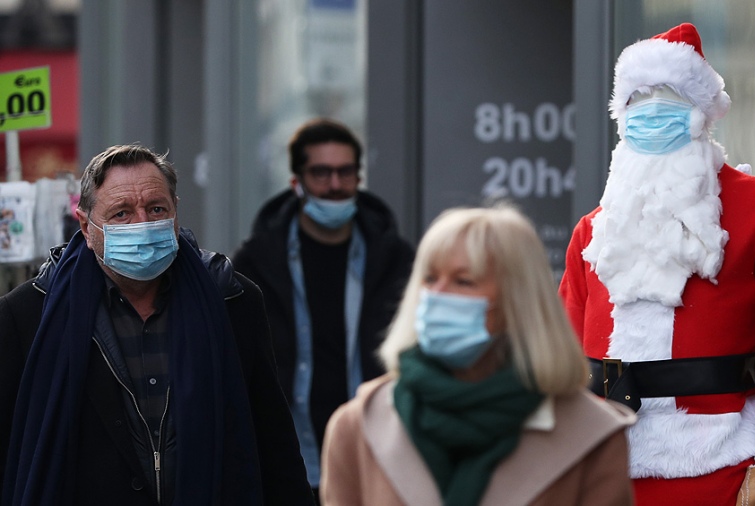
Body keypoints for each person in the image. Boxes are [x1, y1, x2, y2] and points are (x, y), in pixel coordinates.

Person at [558, 22, 755, 506]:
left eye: (670, 95)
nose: (652, 110)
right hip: (603, 473)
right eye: (638, 99)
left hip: (724, 466)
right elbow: (558, 358)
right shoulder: (591, 232)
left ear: (702, 110)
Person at [0, 144, 314, 505]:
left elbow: (274, 442)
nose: (143, 224)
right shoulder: (29, 315)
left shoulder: (231, 301)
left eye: (156, 209)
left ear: (175, 211)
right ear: (86, 226)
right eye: (121, 213)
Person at [320, 205, 636, 506]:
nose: (437, 295)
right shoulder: (358, 427)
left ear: (517, 302)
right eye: (429, 278)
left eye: (463, 281)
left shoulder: (591, 435)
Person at [231, 117, 415, 499]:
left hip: (377, 452)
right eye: (321, 173)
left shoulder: (395, 259)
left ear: (359, 177)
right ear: (296, 182)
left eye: (345, 172)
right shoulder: (257, 261)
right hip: (290, 460)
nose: (335, 185)